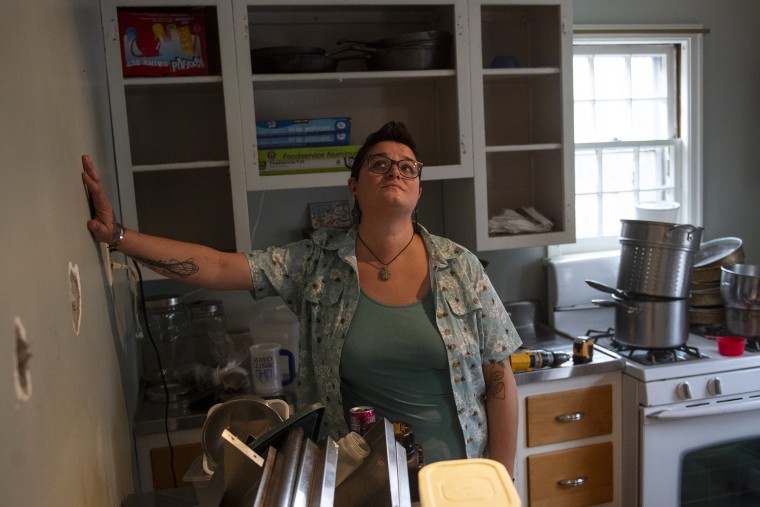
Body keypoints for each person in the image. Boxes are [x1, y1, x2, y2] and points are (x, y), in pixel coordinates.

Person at [82, 121, 522, 476]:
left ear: (419, 189)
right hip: (361, 482)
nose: (396, 172)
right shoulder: (316, 263)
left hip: (459, 478)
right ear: (353, 185)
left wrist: (499, 480)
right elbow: (218, 267)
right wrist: (118, 237)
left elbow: (499, 377)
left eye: (408, 167)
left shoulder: (459, 266)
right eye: (379, 163)